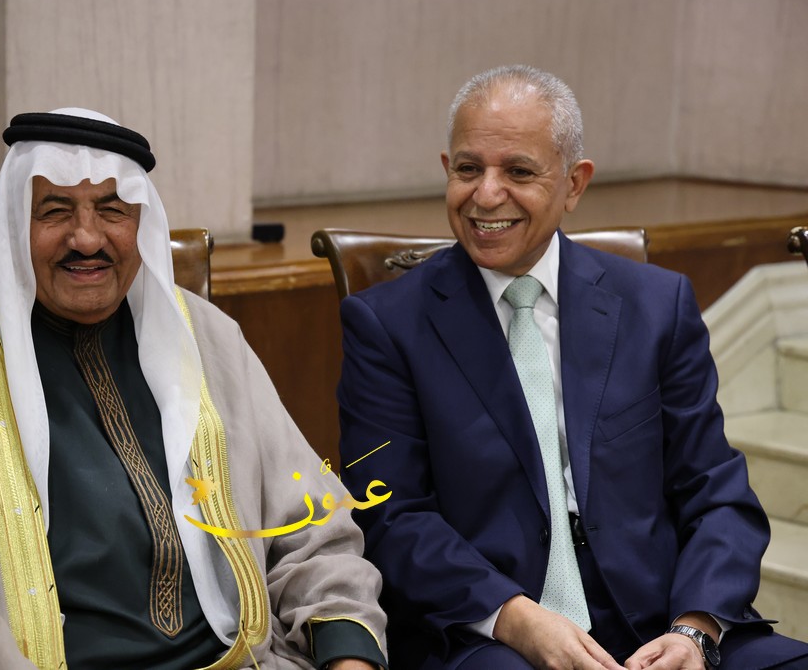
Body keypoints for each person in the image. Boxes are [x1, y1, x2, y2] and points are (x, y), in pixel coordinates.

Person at [0, 108, 387, 670]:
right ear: (14, 227)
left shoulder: (204, 336)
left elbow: (314, 532)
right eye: (54, 212)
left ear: (140, 225)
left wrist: (347, 653)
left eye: (112, 211)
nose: (86, 238)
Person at [336, 65, 808, 669]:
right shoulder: (387, 325)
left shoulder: (655, 305)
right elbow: (390, 515)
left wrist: (693, 630)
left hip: (659, 623)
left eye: (519, 171)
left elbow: (716, 492)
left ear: (574, 184)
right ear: (447, 169)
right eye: (469, 168)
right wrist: (516, 618)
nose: (486, 195)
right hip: (489, 631)